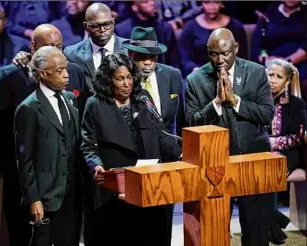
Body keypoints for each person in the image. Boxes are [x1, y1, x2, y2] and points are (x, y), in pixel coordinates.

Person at [0, 23, 85, 246]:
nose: (56, 52)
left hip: (67, 183)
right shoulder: (11, 77)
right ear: (33, 46)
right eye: (50, 46)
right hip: (26, 181)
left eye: (60, 46)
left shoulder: (74, 73)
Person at [185, 28, 275, 246]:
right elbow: (191, 123)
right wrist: (216, 103)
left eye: (225, 53)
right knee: (216, 232)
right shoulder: (195, 79)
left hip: (252, 161)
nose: (220, 60)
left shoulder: (256, 72)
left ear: (236, 48)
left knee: (256, 231)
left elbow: (266, 113)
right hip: (214, 165)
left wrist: (235, 101)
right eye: (214, 54)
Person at [81, 53, 181, 246]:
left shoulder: (142, 98)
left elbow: (161, 134)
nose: (127, 83)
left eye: (129, 77)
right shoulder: (95, 105)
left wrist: (181, 153)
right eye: (120, 78)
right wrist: (96, 166)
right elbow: (88, 145)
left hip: (147, 186)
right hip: (114, 191)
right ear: (108, 80)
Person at [14, 46, 82, 246]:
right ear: (43, 74)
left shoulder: (69, 100)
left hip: (72, 193)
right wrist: (33, 199)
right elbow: (24, 159)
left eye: (66, 69)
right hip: (47, 197)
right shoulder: (29, 107)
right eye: (60, 71)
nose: (66, 75)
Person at [266, 58, 306, 244]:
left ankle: (273, 228)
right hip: (262, 154)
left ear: (287, 81)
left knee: (269, 171)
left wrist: (269, 143)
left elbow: (297, 137)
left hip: (289, 155)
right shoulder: (258, 100)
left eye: (279, 76)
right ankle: (277, 222)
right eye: (270, 74)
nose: (273, 79)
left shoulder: (297, 104)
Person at [63, 2, 127, 92]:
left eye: (107, 24)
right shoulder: (71, 54)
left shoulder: (129, 50)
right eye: (96, 26)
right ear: (86, 26)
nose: (103, 30)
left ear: (113, 22)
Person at [179, 0, 247, 77]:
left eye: (216, 2)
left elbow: (243, 57)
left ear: (222, 4)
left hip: (229, 75)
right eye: (207, 2)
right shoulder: (190, 27)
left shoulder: (235, 26)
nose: (212, 7)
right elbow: (185, 59)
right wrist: (195, 69)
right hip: (199, 75)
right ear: (201, 3)